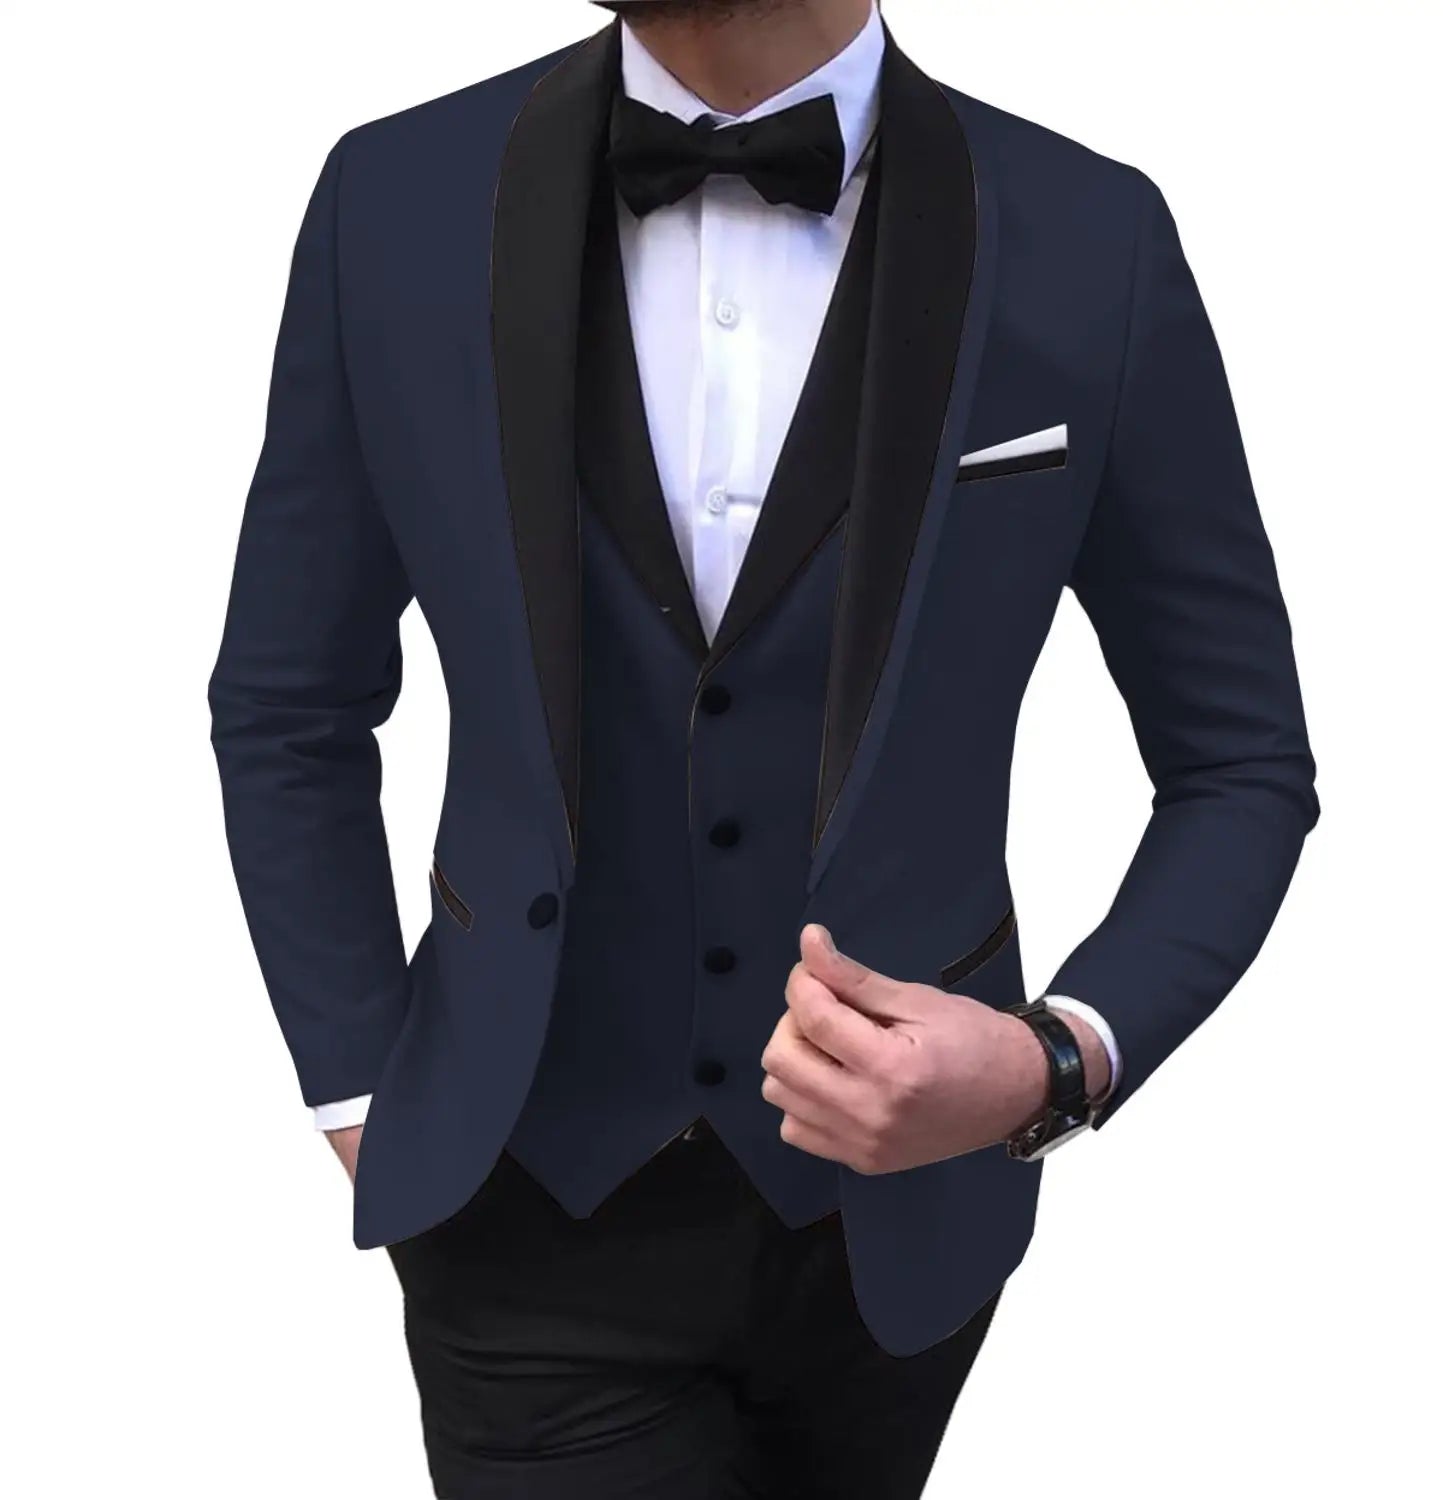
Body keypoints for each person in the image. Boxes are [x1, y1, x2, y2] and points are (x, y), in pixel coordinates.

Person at [208, 1, 1319, 1493]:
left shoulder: (1089, 237)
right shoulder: (395, 198)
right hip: (524, 1195)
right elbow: (289, 699)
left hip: (906, 1236)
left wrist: (1051, 1060)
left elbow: (1241, 760)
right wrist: (358, 1089)